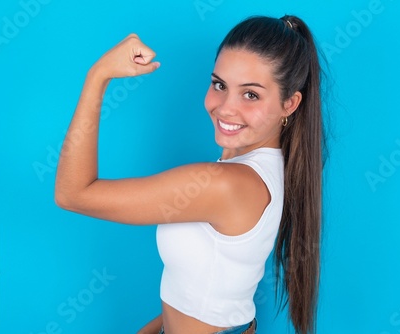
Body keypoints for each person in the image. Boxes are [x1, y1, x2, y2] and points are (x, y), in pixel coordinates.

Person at [55, 14, 326, 334]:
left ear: (289, 104)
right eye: (220, 85)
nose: (225, 108)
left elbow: (73, 193)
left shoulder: (224, 184)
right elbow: (211, 288)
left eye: (250, 94)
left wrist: (97, 76)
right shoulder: (260, 168)